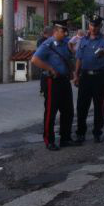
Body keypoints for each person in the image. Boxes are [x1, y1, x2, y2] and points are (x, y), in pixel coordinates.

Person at [31, 20, 77, 151]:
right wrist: (50, 68)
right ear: (56, 31)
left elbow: (69, 58)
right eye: (64, 31)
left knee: (68, 111)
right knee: (51, 112)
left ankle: (65, 138)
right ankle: (49, 140)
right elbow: (35, 59)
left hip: (64, 80)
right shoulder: (48, 44)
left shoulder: (65, 43)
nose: (66, 33)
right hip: (52, 81)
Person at [73, 16, 104, 144]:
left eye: (96, 26)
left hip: (99, 76)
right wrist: (76, 74)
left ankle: (97, 133)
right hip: (85, 76)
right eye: (91, 25)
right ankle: (80, 133)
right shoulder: (83, 40)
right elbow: (79, 58)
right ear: (88, 26)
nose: (93, 28)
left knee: (98, 106)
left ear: (100, 26)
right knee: (81, 106)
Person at [37, 26, 53, 95]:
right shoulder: (41, 40)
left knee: (48, 74)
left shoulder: (49, 39)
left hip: (49, 59)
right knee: (44, 74)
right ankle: (43, 90)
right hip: (44, 60)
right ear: (48, 32)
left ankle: (48, 88)